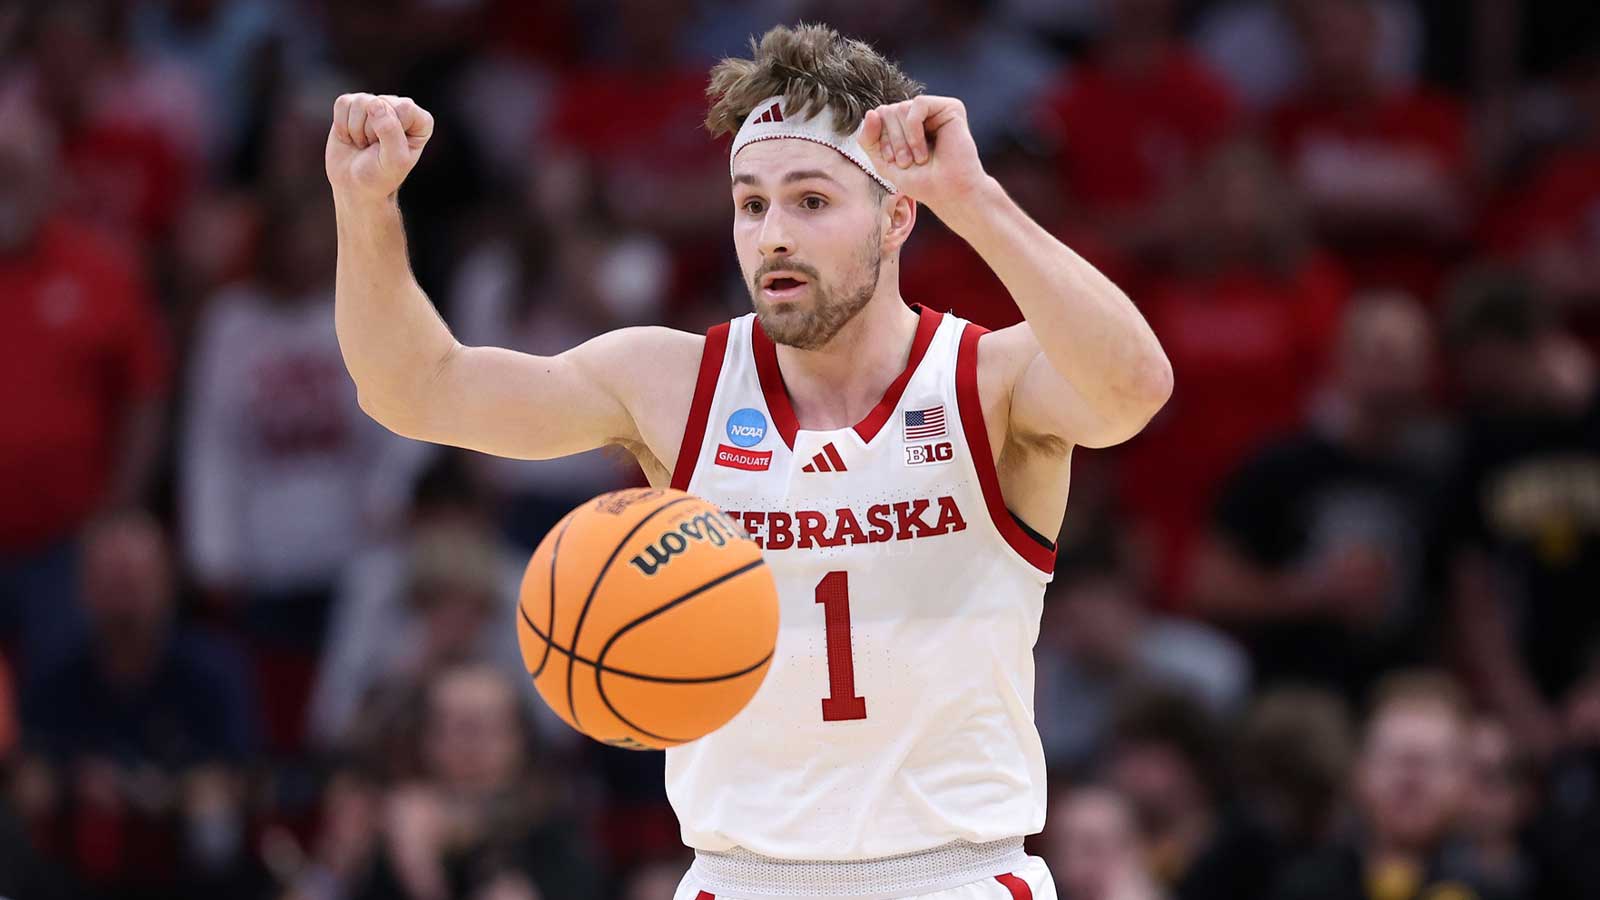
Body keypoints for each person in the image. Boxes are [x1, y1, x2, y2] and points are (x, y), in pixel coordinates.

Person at [327, 21, 1172, 900]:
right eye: (751, 203)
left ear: (896, 216)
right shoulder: (669, 384)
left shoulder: (988, 380)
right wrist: (364, 206)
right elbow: (415, 390)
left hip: (955, 875)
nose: (773, 235)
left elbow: (1135, 389)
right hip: (738, 879)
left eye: (811, 201)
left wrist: (975, 198)